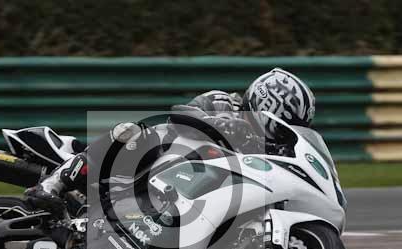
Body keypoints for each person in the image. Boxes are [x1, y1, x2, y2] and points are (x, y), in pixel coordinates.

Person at [25, 68, 316, 215]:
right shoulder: (224, 102)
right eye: (285, 120)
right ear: (270, 103)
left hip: (188, 197)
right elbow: (181, 114)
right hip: (157, 165)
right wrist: (222, 123)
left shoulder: (268, 150)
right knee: (132, 132)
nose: (285, 129)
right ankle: (52, 184)